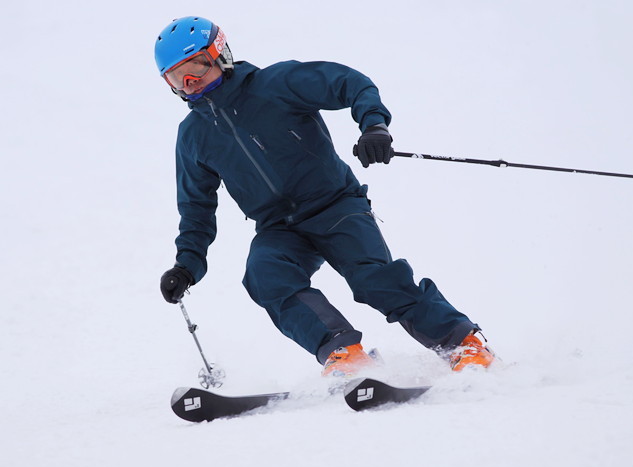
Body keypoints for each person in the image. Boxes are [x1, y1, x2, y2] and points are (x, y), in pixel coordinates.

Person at [155, 16, 494, 376]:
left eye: (197, 67)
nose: (190, 82)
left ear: (220, 54)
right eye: (178, 77)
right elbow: (196, 208)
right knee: (264, 273)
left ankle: (463, 344)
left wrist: (373, 126)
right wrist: (187, 266)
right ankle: (344, 354)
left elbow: (351, 83)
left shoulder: (276, 84)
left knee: (374, 279)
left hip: (336, 205)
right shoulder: (193, 136)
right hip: (278, 228)